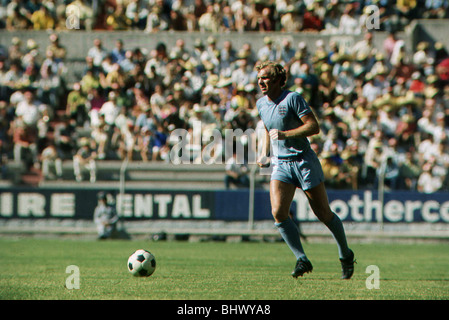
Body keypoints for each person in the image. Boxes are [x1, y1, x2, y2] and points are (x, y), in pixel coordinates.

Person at [255, 61, 355, 279]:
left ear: (278, 80)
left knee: (323, 213)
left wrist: (286, 134)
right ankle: (302, 259)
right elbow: (266, 128)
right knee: (278, 212)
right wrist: (264, 152)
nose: (261, 81)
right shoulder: (261, 103)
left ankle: (345, 255)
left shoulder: (292, 98)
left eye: (266, 77)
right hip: (281, 163)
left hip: (303, 161)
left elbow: (313, 126)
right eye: (259, 77)